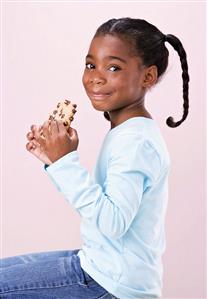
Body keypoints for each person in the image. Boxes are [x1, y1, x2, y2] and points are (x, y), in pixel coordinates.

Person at [0, 17, 190, 299]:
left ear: (148, 77)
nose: (96, 76)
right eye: (91, 65)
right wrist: (54, 160)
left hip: (111, 283)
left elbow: (113, 222)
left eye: (113, 67)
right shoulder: (129, 132)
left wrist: (65, 163)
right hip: (100, 264)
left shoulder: (135, 142)